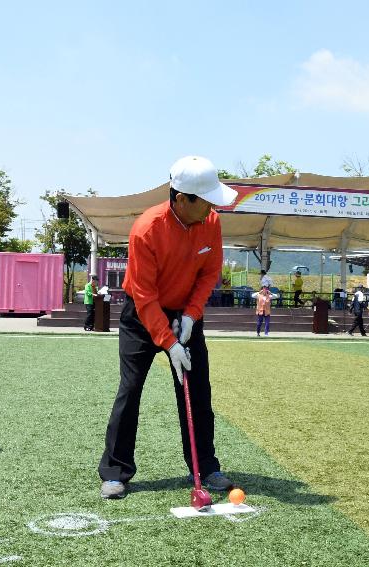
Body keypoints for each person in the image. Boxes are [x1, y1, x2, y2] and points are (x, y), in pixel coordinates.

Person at [97, 156, 237, 499]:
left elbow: (208, 273)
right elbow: (144, 296)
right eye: (206, 199)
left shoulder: (212, 221)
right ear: (181, 198)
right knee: (130, 390)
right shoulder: (147, 229)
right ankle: (115, 471)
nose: (212, 206)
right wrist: (169, 343)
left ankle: (205, 465)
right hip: (142, 317)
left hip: (186, 316)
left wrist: (189, 317)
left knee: (197, 391)